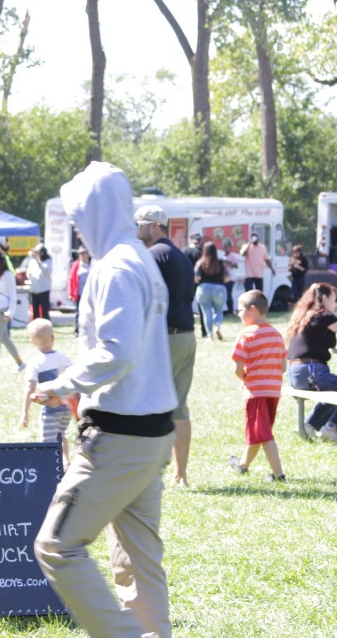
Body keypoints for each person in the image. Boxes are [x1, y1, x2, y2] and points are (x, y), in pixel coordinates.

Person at [32, 162, 177, 638]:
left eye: (78, 216)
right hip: (152, 431)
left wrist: (61, 384)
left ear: (96, 211)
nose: (75, 226)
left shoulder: (115, 266)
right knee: (136, 559)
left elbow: (115, 352)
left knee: (56, 546)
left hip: (120, 434)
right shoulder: (136, 257)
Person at [135, 204, 197, 488]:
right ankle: (180, 475)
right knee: (179, 408)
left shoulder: (152, 255)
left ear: (153, 226)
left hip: (165, 338)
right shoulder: (181, 256)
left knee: (150, 404)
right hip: (186, 336)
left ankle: (150, 471)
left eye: (140, 224)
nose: (137, 230)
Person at [285, 282, 337, 444]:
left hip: (295, 372)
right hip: (311, 371)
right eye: (333, 299)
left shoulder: (303, 315)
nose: (335, 304)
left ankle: (309, 425)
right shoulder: (324, 316)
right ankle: (331, 428)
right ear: (324, 298)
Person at [228, 290, 287, 480]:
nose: (238, 315)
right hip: (273, 392)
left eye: (240, 310)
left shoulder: (246, 335)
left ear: (252, 310)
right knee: (259, 431)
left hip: (255, 393)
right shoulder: (277, 335)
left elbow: (237, 368)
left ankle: (279, 475)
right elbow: (283, 366)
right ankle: (243, 465)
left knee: (264, 434)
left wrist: (245, 378)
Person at [21, 318, 73, 463]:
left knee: (48, 441)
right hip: (66, 407)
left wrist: (25, 411)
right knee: (61, 435)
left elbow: (30, 387)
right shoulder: (64, 359)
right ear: (53, 338)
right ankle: (66, 460)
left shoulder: (35, 363)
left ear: (32, 342)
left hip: (50, 409)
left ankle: (50, 465)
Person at [195, 242, 229, 341]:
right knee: (219, 310)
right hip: (219, 289)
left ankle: (210, 335)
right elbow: (227, 278)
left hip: (203, 289)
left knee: (207, 312)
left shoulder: (200, 262)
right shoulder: (220, 262)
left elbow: (196, 278)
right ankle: (217, 326)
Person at [183, 234, 208, 337]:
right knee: (202, 307)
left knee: (186, 305)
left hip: (187, 281)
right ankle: (204, 331)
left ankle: (187, 328)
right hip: (201, 281)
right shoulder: (202, 251)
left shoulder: (184, 251)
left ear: (190, 239)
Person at [67, 245, 90, 336]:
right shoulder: (76, 264)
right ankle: (77, 330)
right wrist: (70, 293)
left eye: (83, 253)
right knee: (78, 313)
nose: (82, 255)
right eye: (80, 253)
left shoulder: (93, 264)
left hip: (90, 294)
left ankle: (89, 330)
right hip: (79, 293)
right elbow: (71, 279)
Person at [27, 243, 53, 321]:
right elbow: (29, 273)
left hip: (44, 290)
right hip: (34, 290)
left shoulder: (48, 261)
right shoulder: (32, 261)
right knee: (35, 311)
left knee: (45, 311)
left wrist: (38, 262)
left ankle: (46, 328)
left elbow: (46, 272)